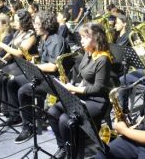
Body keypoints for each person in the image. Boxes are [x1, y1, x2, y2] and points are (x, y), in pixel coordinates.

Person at [47, 22, 112, 158]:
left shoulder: (103, 59)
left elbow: (99, 88)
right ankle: (64, 147)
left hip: (97, 100)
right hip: (83, 95)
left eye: (85, 37)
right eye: (81, 37)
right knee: (53, 112)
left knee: (66, 120)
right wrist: (70, 86)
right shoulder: (88, 53)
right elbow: (83, 77)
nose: (81, 41)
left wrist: (75, 89)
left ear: (96, 38)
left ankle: (75, 154)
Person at [13, 10, 69, 144]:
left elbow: (52, 67)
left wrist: (34, 67)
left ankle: (29, 127)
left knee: (23, 91)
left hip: (54, 81)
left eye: (37, 23)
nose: (35, 25)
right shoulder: (44, 38)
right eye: (34, 23)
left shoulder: (56, 40)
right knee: (14, 81)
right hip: (44, 75)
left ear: (46, 24)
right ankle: (20, 116)